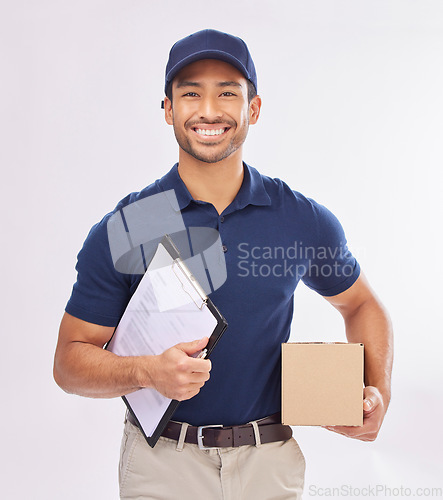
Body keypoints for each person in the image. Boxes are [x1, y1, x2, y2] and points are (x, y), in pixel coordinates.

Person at [53, 29, 393, 499]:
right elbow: (69, 362)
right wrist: (147, 372)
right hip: (160, 467)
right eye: (190, 93)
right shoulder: (130, 226)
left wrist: (378, 392)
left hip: (268, 462)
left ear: (252, 109)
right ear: (169, 110)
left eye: (227, 93)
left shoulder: (299, 219)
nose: (209, 110)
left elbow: (361, 305)